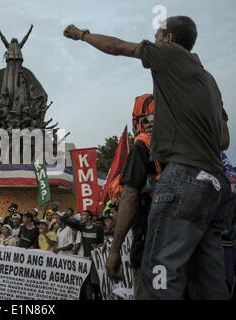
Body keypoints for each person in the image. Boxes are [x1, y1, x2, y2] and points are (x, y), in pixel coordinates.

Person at [64, 16, 232, 300]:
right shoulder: (209, 79)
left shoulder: (169, 53)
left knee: (160, 272)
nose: (153, 42)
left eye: (156, 36)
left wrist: (82, 34)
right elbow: (224, 140)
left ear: (167, 39)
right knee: (209, 278)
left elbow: (118, 47)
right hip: (215, 184)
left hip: (185, 176)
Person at [105, 95, 156, 300]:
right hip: (183, 245)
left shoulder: (142, 146)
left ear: (142, 121)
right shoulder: (183, 145)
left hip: (150, 246)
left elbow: (130, 198)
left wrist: (115, 250)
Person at [65, 210, 104, 300]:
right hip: (86, 259)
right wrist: (65, 216)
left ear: (89, 217)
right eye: (81, 215)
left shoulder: (98, 229)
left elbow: (102, 244)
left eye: (83, 215)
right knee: (87, 282)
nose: (81, 217)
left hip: (96, 260)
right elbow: (69, 223)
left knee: (97, 282)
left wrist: (95, 253)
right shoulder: (82, 228)